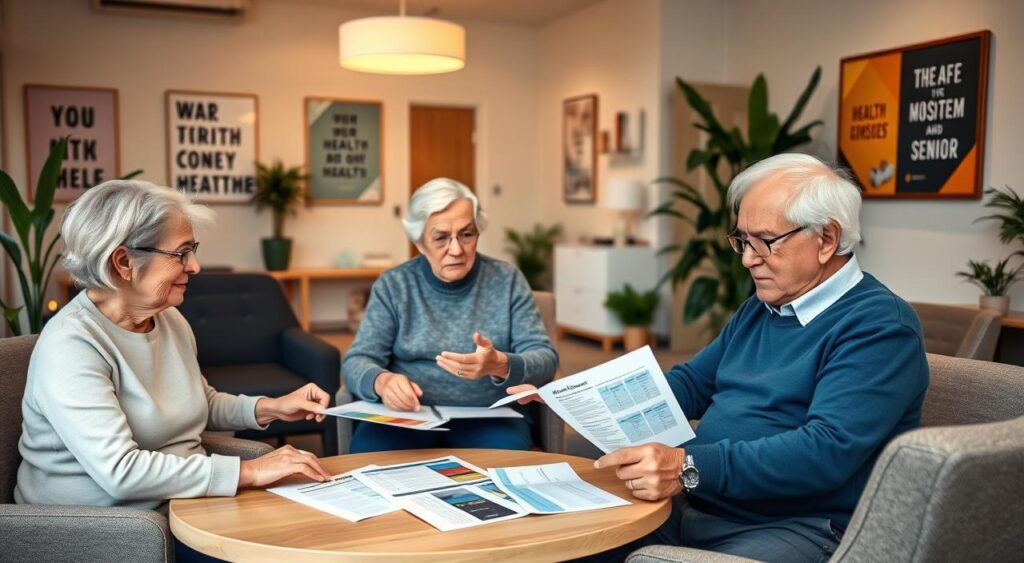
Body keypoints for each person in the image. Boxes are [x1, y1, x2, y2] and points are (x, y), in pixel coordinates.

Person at [512, 153, 929, 562]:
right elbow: (691, 384)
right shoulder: (764, 306)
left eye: (765, 241)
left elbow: (825, 451)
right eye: (743, 240)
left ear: (826, 239)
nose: (748, 259)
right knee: (556, 544)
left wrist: (686, 466)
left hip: (794, 527)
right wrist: (582, 395)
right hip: (699, 503)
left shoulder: (879, 326)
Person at [15, 180, 333, 515]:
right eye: (181, 253)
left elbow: (200, 401)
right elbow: (121, 472)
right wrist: (250, 471)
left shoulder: (168, 320)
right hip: (112, 524)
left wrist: (271, 407)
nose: (194, 266)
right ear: (123, 263)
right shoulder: (71, 346)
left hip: (179, 501)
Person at [343, 177, 558, 453]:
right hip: (409, 416)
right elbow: (357, 360)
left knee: (506, 473)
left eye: (466, 235)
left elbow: (545, 358)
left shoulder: (507, 280)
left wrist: (500, 364)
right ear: (419, 242)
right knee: (367, 459)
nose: (456, 250)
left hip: (490, 416)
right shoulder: (394, 285)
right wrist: (382, 382)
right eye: (441, 238)